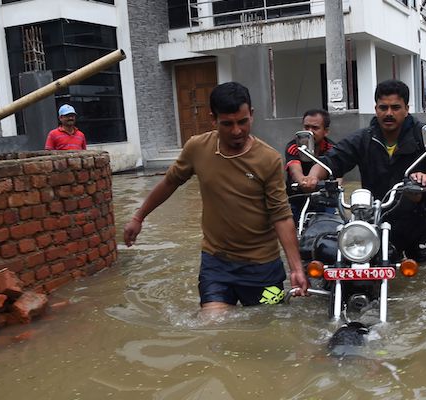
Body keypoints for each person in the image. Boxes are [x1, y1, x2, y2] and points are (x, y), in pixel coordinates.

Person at [123, 82, 309, 314]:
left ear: (251, 115)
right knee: (213, 325)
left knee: (268, 324)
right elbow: (170, 182)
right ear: (213, 119)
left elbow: (281, 215)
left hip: (262, 267)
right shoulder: (197, 148)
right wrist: (139, 217)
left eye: (242, 122)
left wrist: (296, 268)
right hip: (216, 263)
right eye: (227, 124)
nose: (236, 131)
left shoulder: (268, 159)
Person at [301, 79, 426, 262]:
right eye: (383, 107)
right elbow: (331, 161)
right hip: (375, 220)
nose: (389, 113)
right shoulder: (363, 139)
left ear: (406, 109)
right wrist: (312, 177)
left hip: (416, 222)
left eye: (395, 107)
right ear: (376, 108)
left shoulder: (423, 134)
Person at [284, 109, 338, 224]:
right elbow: (295, 170)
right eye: (306, 127)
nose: (310, 132)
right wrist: (303, 181)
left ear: (326, 131)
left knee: (329, 230)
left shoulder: (332, 148)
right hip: (297, 197)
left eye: (315, 128)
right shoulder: (294, 146)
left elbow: (338, 175)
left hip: (324, 198)